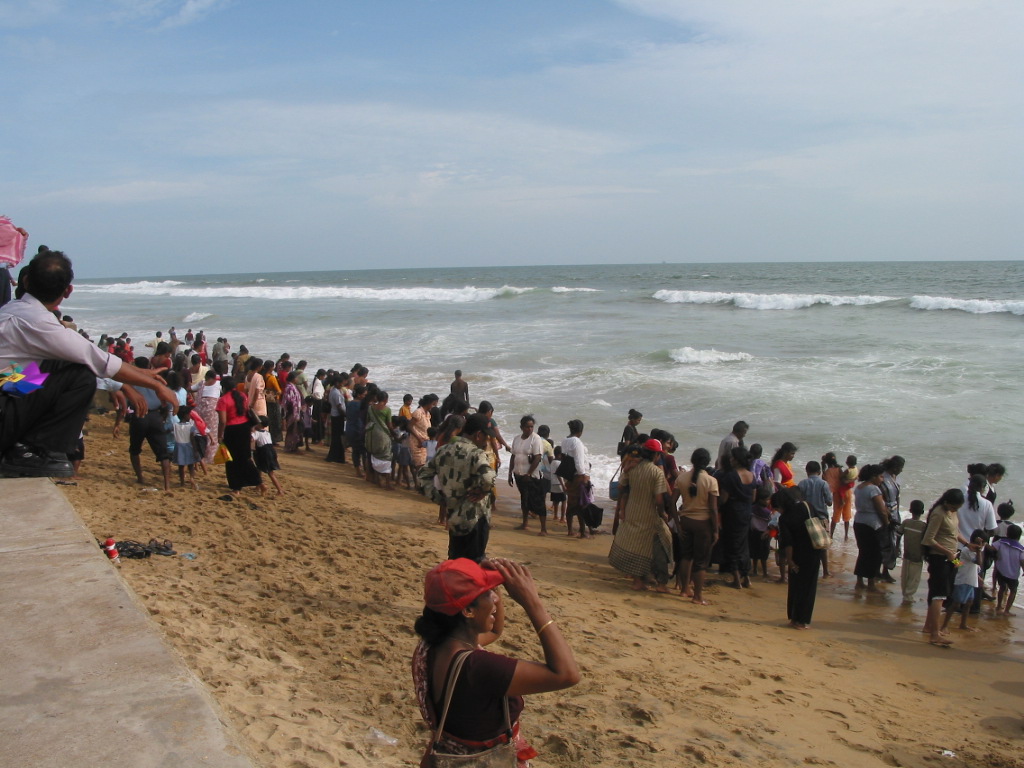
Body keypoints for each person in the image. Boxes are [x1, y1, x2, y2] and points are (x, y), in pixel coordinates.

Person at [0, 249, 177, 476]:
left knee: (55, 365)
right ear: (68, 291)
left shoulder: (11, 309)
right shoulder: (39, 323)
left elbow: (98, 358)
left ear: (25, 281)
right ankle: (32, 450)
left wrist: (142, 374)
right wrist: (157, 386)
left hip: (6, 387)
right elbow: (100, 362)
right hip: (5, 409)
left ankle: (24, 445)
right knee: (81, 375)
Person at [412, 558, 579, 766]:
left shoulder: (430, 647)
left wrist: (492, 586)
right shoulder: (479, 667)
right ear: (468, 611)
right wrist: (532, 602)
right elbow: (566, 674)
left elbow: (494, 631)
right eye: (488, 594)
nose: (495, 599)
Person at [418, 413, 497, 562]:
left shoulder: (443, 450)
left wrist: (438, 498)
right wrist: (483, 491)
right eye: (486, 436)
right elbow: (488, 478)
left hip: (453, 515)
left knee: (455, 559)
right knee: (475, 560)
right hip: (475, 516)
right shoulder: (476, 454)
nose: (487, 440)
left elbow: (422, 476)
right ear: (478, 435)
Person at [609, 439, 674, 592]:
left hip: (632, 512)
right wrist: (663, 513)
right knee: (663, 543)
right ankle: (662, 583)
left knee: (637, 546)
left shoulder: (633, 468)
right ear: (656, 455)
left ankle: (638, 581)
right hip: (649, 515)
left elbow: (621, 487)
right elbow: (659, 499)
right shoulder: (657, 472)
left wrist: (622, 510)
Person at [921, 488, 969, 647]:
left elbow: (954, 532)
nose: (955, 510)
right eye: (954, 507)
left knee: (945, 591)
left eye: (957, 508)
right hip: (940, 559)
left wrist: (968, 544)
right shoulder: (938, 513)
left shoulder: (952, 512)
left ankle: (929, 626)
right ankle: (935, 634)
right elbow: (928, 539)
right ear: (947, 502)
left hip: (952, 559)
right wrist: (947, 552)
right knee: (939, 595)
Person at [673, 447, 719, 605]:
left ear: (692, 460)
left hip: (686, 521)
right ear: (707, 462)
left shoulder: (681, 478)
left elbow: (672, 503)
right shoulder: (711, 481)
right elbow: (713, 509)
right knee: (700, 562)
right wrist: (716, 530)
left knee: (686, 556)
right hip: (703, 524)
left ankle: (684, 589)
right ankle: (698, 596)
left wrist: (677, 523)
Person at [775, 488, 823, 629]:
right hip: (813, 551)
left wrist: (790, 561)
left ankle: (794, 619)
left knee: (795, 587)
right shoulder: (807, 505)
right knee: (808, 587)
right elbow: (819, 521)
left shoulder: (785, 518)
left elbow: (788, 542)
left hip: (797, 555)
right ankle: (802, 621)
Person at [216, 375, 266, 496]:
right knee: (245, 458)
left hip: (232, 430)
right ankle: (260, 483)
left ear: (224, 387)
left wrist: (219, 435)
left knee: (231, 460)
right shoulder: (242, 396)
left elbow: (222, 421)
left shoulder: (223, 400)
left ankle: (236, 488)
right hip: (244, 428)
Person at [718, 446, 758, 589]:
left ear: (736, 460)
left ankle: (736, 580)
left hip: (732, 513)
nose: (730, 459)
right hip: (746, 512)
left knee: (732, 545)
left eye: (732, 457)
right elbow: (753, 498)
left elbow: (723, 499)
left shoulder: (730, 476)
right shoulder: (751, 475)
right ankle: (746, 577)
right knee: (743, 545)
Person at [940, 530, 986, 635]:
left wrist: (978, 577)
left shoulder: (972, 551)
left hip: (971, 580)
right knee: (955, 604)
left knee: (969, 603)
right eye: (983, 543)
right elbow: (978, 562)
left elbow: (970, 566)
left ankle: (963, 624)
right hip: (963, 580)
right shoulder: (967, 550)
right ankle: (944, 626)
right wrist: (979, 550)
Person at [852, 464, 889, 592]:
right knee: (875, 554)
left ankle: (859, 581)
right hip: (873, 524)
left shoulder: (859, 488)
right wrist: (886, 523)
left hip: (859, 521)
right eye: (881, 476)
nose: (882, 479)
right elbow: (881, 510)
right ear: (873, 476)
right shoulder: (873, 489)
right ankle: (871, 583)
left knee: (863, 552)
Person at [509, 415, 547, 535]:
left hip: (532, 476)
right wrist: (510, 473)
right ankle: (524, 523)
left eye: (531, 427)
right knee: (524, 499)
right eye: (527, 427)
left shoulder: (536, 439)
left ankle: (543, 529)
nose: (530, 429)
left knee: (538, 501)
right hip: (519, 474)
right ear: (522, 427)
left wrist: (529, 473)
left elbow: (537, 458)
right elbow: (513, 456)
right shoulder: (517, 439)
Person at [798, 460, 833, 578]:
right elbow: (829, 502)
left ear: (807, 471)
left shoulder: (802, 483)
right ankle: (826, 571)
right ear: (819, 471)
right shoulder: (824, 484)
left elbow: (799, 501)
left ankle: (807, 569)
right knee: (823, 546)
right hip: (821, 518)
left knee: (806, 545)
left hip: (806, 518)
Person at [560, 420, 592, 538]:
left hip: (569, 476)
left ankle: (570, 530)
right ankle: (582, 532)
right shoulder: (576, 442)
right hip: (578, 477)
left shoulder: (565, 440)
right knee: (582, 504)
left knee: (572, 503)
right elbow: (579, 462)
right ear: (580, 431)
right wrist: (583, 477)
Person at [878, 455, 906, 584]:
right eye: (900, 468)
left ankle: (885, 570)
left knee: (892, 542)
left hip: (895, 513)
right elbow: (880, 498)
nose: (901, 470)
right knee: (884, 542)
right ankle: (879, 571)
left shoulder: (893, 478)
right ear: (895, 467)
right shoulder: (883, 478)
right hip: (886, 513)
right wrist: (887, 515)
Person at [900, 500, 927, 604]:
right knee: (914, 578)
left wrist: (897, 548)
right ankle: (908, 596)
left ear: (910, 510)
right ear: (923, 512)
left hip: (907, 554)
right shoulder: (923, 526)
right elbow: (925, 542)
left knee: (905, 576)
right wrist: (926, 554)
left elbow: (898, 535)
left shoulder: (906, 522)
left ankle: (905, 594)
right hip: (918, 556)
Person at [994, 524, 1024, 616]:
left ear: (1007, 534)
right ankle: (1006, 610)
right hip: (1013, 574)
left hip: (1001, 570)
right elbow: (1022, 561)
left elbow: (993, 548)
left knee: (1002, 588)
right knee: (1013, 591)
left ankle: (999, 606)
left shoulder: (1001, 542)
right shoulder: (1021, 549)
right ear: (1019, 536)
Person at [252, 416, 284, 496]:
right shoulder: (267, 433)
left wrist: (252, 430)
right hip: (271, 451)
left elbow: (252, 439)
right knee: (259, 468)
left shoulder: (257, 433)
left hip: (264, 453)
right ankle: (258, 486)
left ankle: (280, 490)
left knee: (270, 473)